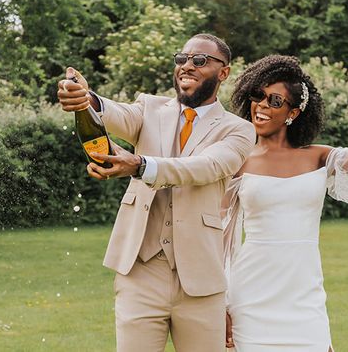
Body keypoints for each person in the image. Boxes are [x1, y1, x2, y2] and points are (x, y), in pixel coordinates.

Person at [57, 33, 256, 352]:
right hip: (139, 273)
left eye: (200, 60)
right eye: (182, 59)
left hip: (201, 282)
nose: (188, 65)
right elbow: (116, 113)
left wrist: (139, 164)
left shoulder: (239, 130)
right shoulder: (149, 108)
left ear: (224, 72)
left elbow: (205, 167)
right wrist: (87, 99)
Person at [222, 54, 348, 352]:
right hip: (250, 292)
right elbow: (219, 234)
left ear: (293, 113)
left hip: (304, 292)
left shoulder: (319, 157)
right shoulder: (237, 161)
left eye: (274, 101)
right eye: (258, 95)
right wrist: (222, 303)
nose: (261, 105)